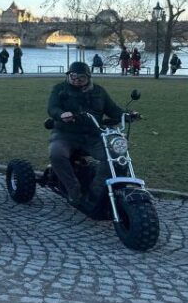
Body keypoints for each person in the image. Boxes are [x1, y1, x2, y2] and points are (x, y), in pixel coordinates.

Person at [47, 61, 129, 207]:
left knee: (114, 156)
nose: (77, 80)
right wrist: (61, 114)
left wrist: (128, 115)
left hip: (92, 136)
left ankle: (96, 193)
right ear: (69, 75)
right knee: (56, 154)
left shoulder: (99, 91)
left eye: (81, 78)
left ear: (88, 77)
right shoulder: (60, 89)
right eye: (73, 76)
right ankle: (73, 189)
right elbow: (52, 108)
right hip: (65, 134)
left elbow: (113, 110)